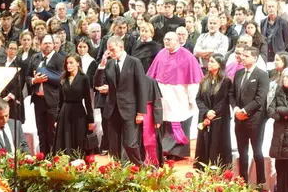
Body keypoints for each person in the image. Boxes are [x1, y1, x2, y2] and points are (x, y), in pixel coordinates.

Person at [148, 31, 203, 159]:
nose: (166, 42)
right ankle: (164, 150)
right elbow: (152, 76)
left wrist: (192, 99)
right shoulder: (161, 53)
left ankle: (177, 153)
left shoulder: (187, 56)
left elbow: (193, 81)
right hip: (163, 95)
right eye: (165, 39)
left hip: (179, 96)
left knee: (178, 121)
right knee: (164, 122)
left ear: (178, 41)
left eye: (170, 40)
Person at [94, 35, 147, 165]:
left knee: (130, 143)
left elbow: (141, 87)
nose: (110, 53)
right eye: (108, 50)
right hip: (112, 110)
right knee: (114, 146)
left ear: (121, 47)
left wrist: (141, 112)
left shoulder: (134, 62)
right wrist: (101, 65)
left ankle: (139, 166)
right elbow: (97, 83)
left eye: (112, 50)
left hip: (130, 109)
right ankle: (118, 170)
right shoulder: (109, 63)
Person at [230, 45, 270, 192]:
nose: (243, 58)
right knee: (242, 151)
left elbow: (260, 99)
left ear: (255, 57)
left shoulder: (262, 75)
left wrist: (245, 111)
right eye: (242, 55)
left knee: (257, 151)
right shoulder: (239, 73)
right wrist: (235, 109)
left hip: (255, 118)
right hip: (239, 117)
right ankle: (242, 182)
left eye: (246, 56)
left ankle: (260, 183)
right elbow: (232, 94)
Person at [27, 34, 65, 155]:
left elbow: (63, 79)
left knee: (52, 131)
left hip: (53, 101)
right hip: (38, 100)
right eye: (45, 43)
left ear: (54, 45)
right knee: (41, 131)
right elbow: (27, 76)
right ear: (40, 44)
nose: (47, 45)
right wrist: (34, 80)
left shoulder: (60, 59)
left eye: (49, 43)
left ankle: (54, 159)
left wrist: (47, 77)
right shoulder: (35, 57)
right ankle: (43, 157)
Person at [194, 53, 232, 167]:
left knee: (217, 141)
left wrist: (213, 112)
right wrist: (206, 111)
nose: (209, 63)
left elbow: (224, 100)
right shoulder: (204, 80)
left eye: (212, 61)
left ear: (219, 64)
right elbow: (198, 98)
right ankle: (202, 165)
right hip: (205, 116)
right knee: (204, 141)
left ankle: (218, 165)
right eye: (209, 61)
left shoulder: (226, 81)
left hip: (219, 117)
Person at [54, 53, 94, 156]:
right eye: (67, 63)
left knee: (78, 138)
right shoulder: (63, 78)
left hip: (78, 112)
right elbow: (60, 101)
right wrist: (57, 119)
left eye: (71, 62)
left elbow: (88, 100)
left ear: (78, 63)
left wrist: (91, 120)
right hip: (65, 113)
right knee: (65, 138)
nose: (68, 65)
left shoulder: (84, 78)